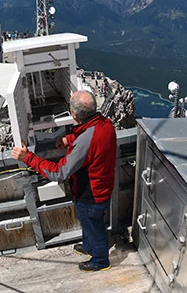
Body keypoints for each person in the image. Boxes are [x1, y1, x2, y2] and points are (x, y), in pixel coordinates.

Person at [11, 91, 117, 272]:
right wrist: (69, 140)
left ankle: (101, 261)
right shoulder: (105, 124)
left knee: (95, 227)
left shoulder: (86, 141)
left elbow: (59, 172)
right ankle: (89, 247)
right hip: (102, 186)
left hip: (90, 194)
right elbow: (90, 135)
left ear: (74, 115)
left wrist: (28, 157)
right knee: (88, 223)